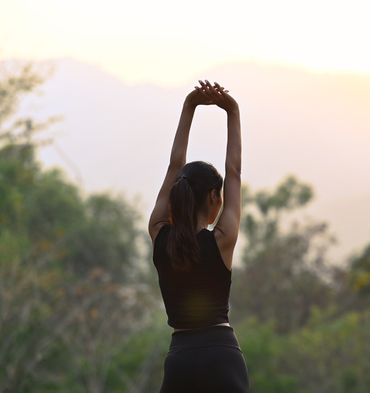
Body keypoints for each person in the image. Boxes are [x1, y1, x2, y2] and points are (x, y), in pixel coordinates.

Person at [148, 80, 248, 392]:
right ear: (215, 199)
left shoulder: (159, 234)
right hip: (221, 355)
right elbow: (234, 171)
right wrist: (232, 110)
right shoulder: (222, 239)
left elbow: (175, 164)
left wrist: (190, 105)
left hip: (179, 358)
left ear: (176, 198)